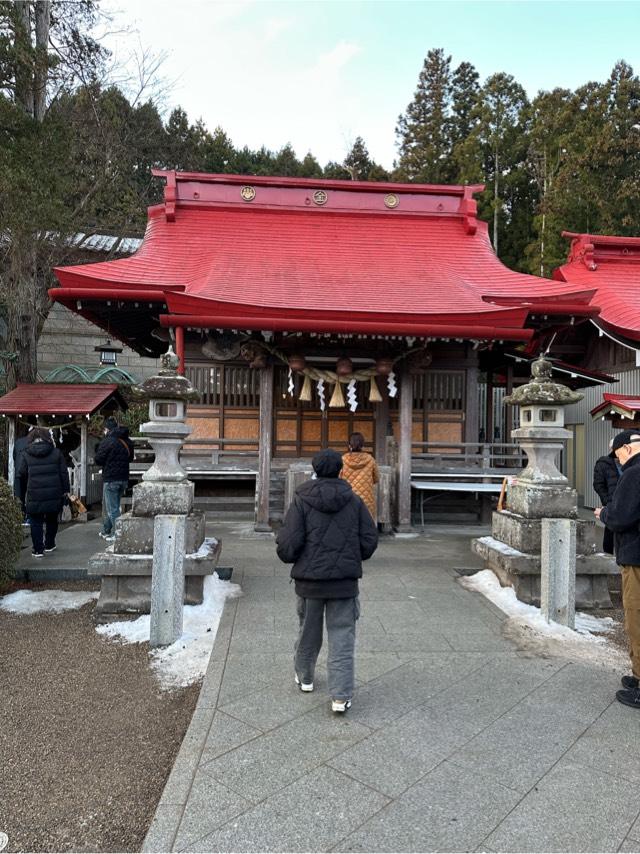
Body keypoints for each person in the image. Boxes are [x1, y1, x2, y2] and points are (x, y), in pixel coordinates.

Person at [276, 448, 378, 713]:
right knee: (342, 637)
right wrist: (353, 557)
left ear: (315, 470)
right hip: (344, 583)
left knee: (308, 631)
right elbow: (369, 540)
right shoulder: (354, 501)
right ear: (341, 471)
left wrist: (289, 555)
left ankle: (305, 677)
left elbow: (290, 542)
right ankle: (340, 696)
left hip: (309, 582)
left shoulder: (301, 499)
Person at [595, 429, 640, 709]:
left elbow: (622, 516)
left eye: (618, 455)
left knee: (636, 617)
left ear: (625, 449)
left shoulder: (634, 474)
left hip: (636, 555)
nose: (618, 460)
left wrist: (604, 514)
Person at [17, 427, 70, 558]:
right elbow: (64, 474)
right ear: (48, 438)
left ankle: (38, 549)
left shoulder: (25, 454)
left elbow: (21, 475)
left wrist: (20, 496)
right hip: (53, 493)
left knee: (36, 522)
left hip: (34, 493)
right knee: (52, 519)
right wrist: (65, 491)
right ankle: (50, 544)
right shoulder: (56, 453)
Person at [95, 416, 134, 542]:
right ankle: (106, 530)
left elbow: (98, 459)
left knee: (112, 509)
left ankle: (119, 534)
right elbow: (130, 458)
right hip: (123, 478)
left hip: (111, 478)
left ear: (107, 429)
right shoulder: (127, 441)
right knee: (113, 506)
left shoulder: (107, 441)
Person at [340, 431, 379, 520]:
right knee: (365, 525)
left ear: (349, 445)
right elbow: (376, 478)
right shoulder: (370, 459)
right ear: (362, 445)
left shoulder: (343, 459)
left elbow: (339, 478)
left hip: (348, 498)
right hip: (366, 499)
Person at [593, 439, 621, 555]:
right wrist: (606, 500)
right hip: (610, 502)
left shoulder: (628, 463)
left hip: (624, 500)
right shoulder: (603, 463)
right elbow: (598, 484)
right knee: (610, 529)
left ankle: (621, 553)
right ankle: (607, 554)